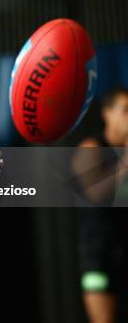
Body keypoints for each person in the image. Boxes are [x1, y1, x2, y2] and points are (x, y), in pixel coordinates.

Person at [73, 87, 128, 323]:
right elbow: (95, 193)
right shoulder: (91, 147)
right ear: (108, 114)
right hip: (99, 253)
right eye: (126, 110)